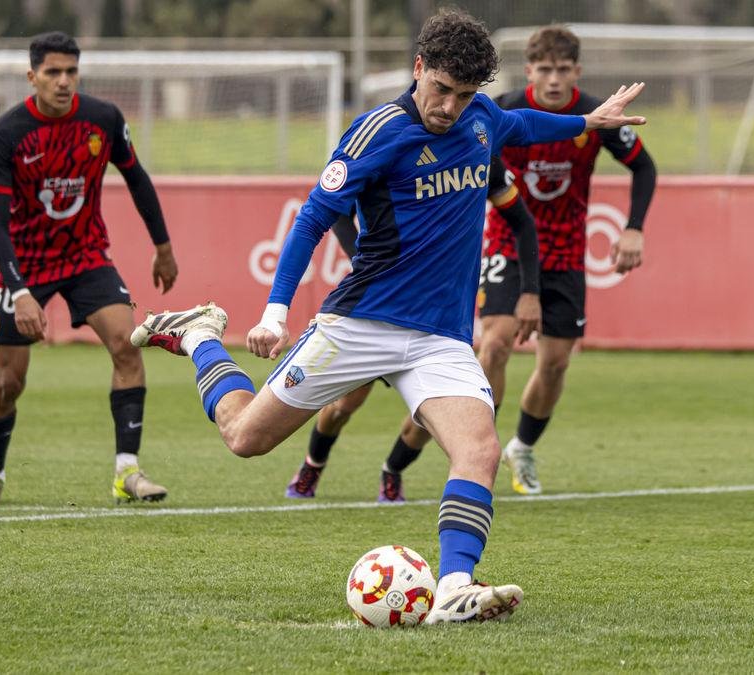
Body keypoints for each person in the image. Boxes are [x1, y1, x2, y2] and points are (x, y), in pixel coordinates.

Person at [131, 8, 645, 623]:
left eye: (463, 95)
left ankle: (454, 586)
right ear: (418, 68)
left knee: (477, 450)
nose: (450, 107)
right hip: (361, 324)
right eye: (440, 90)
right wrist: (274, 310)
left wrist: (588, 120)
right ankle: (198, 336)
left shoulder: (481, 116)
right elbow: (313, 218)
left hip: (440, 339)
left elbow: (522, 124)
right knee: (245, 438)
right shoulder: (376, 132)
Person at [383, 24, 659, 496]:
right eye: (545, 70)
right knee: (493, 347)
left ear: (577, 71)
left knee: (555, 362)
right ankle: (454, 453)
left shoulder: (594, 115)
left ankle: (522, 448)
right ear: (530, 71)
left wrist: (633, 227)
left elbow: (644, 166)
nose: (554, 80)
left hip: (567, 253)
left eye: (564, 70)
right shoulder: (501, 110)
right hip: (507, 244)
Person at [0, 32, 178, 506]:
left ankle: (128, 472)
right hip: (23, 264)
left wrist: (163, 247)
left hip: (85, 256)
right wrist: (19, 291)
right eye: (52, 73)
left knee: (128, 345)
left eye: (71, 72)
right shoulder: (6, 133)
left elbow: (137, 179)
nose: (63, 82)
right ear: (32, 77)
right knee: (9, 382)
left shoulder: (103, 119)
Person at [284, 170, 544, 504]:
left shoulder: (477, 148)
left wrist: (530, 290)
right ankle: (313, 465)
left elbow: (521, 219)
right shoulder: (393, 145)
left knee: (433, 412)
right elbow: (336, 212)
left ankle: (392, 471)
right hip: (376, 306)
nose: (448, 114)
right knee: (344, 405)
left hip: (435, 316)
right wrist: (365, 261)